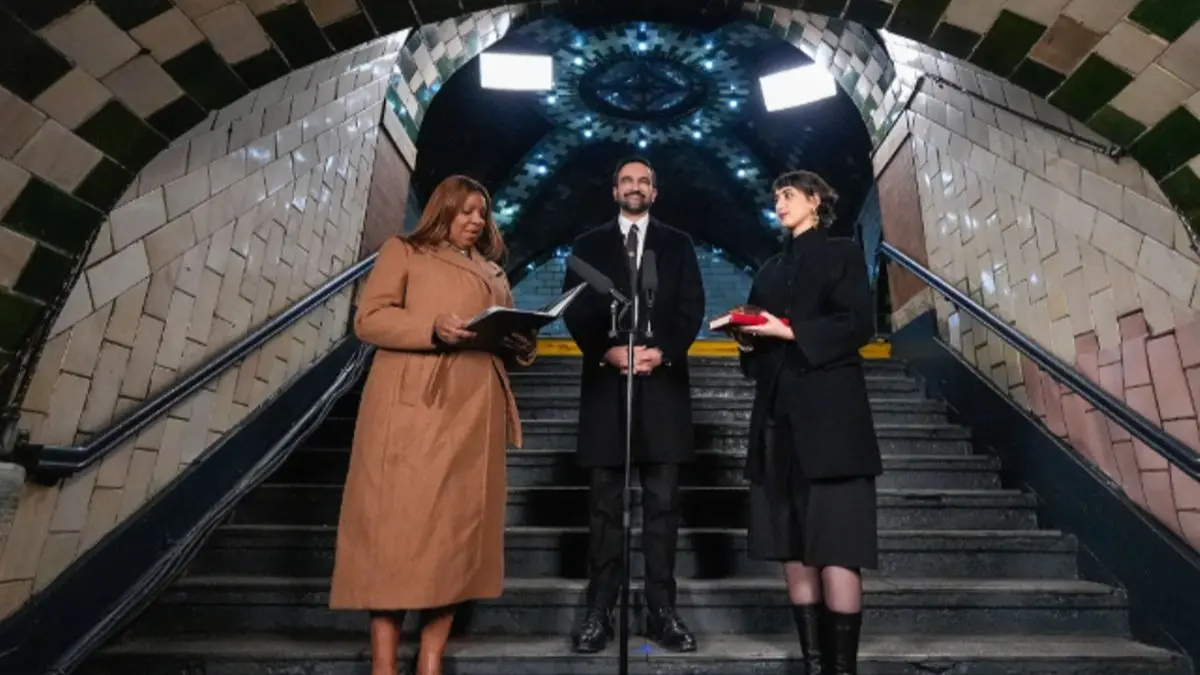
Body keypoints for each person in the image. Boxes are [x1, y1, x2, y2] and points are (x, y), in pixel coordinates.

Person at [328, 175, 537, 675]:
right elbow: (369, 319)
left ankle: (430, 656)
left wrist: (521, 341)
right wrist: (431, 328)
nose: (475, 221)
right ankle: (383, 664)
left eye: (481, 213)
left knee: (454, 535)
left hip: (475, 410)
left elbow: (504, 329)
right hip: (413, 406)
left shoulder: (491, 270)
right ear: (441, 210)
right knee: (395, 532)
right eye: (464, 211)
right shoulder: (404, 251)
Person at [733, 170, 882, 675]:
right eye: (775, 195)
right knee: (791, 547)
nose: (779, 202)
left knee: (838, 547)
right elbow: (752, 361)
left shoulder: (841, 253)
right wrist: (748, 337)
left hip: (834, 425)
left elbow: (857, 324)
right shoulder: (769, 270)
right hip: (777, 422)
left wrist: (790, 330)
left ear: (816, 201)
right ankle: (815, 667)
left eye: (789, 194)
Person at [560, 156, 706, 653]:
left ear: (655, 192)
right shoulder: (587, 246)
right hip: (606, 390)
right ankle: (598, 612)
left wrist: (660, 350)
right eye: (627, 180)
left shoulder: (679, 244)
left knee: (663, 509)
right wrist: (606, 350)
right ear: (614, 190)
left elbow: (691, 307)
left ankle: (662, 613)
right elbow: (575, 307)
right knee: (604, 509)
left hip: (663, 392)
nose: (635, 187)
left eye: (644, 180)